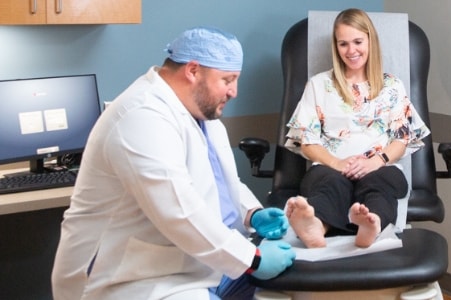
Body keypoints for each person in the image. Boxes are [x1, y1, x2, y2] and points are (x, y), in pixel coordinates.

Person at [51, 26, 295, 300]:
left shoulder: (199, 113)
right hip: (133, 278)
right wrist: (254, 259)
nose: (234, 91)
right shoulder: (141, 115)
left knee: (292, 287)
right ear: (193, 71)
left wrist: (251, 213)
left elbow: (217, 182)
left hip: (195, 264)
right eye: (227, 80)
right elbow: (178, 210)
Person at [283, 8, 430, 249]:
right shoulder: (319, 85)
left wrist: (376, 161)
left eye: (358, 42)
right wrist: (337, 163)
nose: (351, 51)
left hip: (380, 167)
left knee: (378, 185)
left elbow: (401, 140)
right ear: (336, 47)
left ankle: (371, 224)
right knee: (331, 186)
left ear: (371, 41)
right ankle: (316, 226)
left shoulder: (392, 86)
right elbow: (307, 142)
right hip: (330, 168)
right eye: (343, 44)